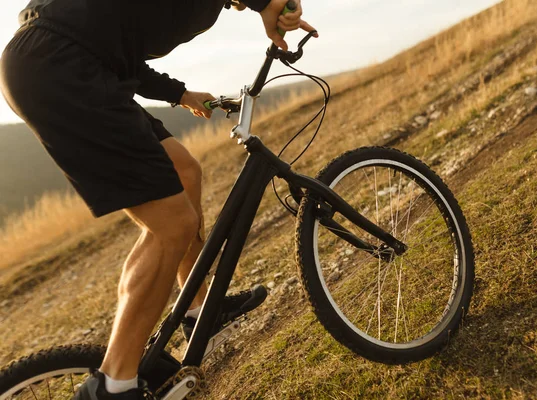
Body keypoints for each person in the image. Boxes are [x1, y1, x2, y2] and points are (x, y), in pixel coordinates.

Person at [0, 0, 315, 399]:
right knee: (172, 225)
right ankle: (113, 384)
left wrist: (180, 93)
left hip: (75, 62)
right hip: (61, 65)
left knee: (185, 174)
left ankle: (201, 311)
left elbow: (120, 49)